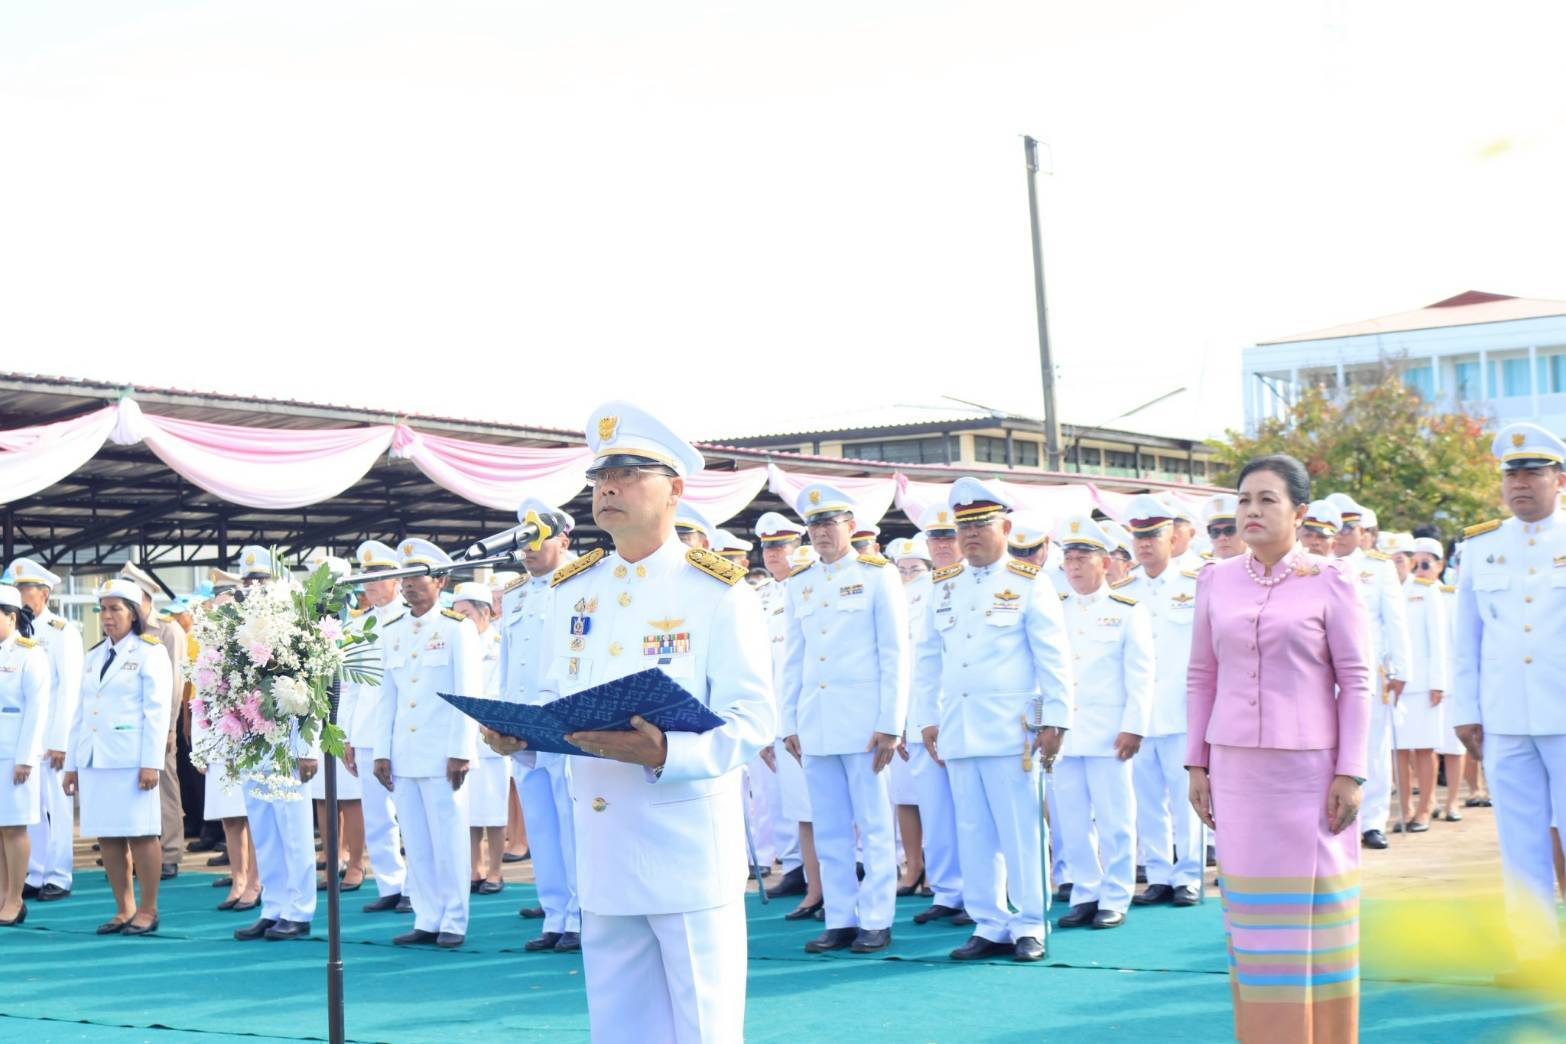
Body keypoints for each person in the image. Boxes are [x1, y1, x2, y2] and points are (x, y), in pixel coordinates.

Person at [484, 401, 773, 1043]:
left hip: (683, 843)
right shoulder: (572, 591)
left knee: (703, 1026)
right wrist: (522, 737)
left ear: (675, 489)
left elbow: (753, 718)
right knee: (619, 1026)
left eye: (628, 474)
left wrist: (667, 753)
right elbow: (558, 697)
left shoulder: (718, 591)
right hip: (602, 841)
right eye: (600, 477)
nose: (608, 488)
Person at [1186, 453, 1370, 1044]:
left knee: (1320, 917)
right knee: (1255, 926)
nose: (1252, 510)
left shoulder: (1332, 579)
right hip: (1236, 774)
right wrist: (1196, 763)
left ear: (1299, 512)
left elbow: (1356, 680)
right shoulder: (1215, 579)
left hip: (1311, 776)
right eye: (1244, 499)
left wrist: (1351, 771)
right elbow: (1201, 676)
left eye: (1267, 499)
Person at [913, 477, 1072, 962]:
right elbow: (927, 658)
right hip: (959, 727)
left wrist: (1056, 718)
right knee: (974, 831)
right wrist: (926, 717)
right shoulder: (943, 586)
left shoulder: (1028, 583)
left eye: (981, 525)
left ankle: (1030, 923)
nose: (971, 535)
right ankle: (989, 922)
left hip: (1012, 731)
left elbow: (1054, 657)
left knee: (1021, 831)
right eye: (963, 527)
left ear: (1005, 527)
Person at [1451, 422, 1566, 970]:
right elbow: (1466, 638)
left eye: (1533, 473)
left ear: (1559, 479)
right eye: (1511, 474)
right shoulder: (1481, 547)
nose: (1520, 483)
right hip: (1504, 717)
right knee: (1519, 843)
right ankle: (1535, 953)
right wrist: (1466, 711)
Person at [780, 480, 909, 955]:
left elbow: (895, 653)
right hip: (815, 722)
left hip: (863, 724)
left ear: (851, 526)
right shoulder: (800, 582)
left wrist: (891, 723)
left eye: (829, 523)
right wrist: (788, 722)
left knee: (873, 826)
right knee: (829, 828)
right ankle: (840, 917)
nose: (820, 532)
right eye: (813, 525)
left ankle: (876, 918)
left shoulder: (878, 575)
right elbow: (794, 658)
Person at [373, 537, 482, 948]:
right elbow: (388, 697)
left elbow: (467, 693)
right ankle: (426, 915)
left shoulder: (457, 628)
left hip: (443, 754)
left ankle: (453, 919)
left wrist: (461, 750)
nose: (409, 585)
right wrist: (382, 752)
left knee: (448, 840)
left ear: (441, 581)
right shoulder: (392, 631)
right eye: (405, 578)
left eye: (418, 577)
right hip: (404, 753)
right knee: (416, 841)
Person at [1051, 517, 1151, 931]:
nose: (1074, 567)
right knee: (1072, 821)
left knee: (1115, 819)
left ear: (1105, 563)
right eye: (1069, 559)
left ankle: (1115, 895)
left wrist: (1135, 726)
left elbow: (1140, 675)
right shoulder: (1056, 610)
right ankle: (1085, 892)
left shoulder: (1126, 610)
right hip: (1065, 733)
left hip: (1110, 732)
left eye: (1082, 558)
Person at [64, 579, 174, 936]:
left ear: (134, 614)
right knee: (108, 836)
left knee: (141, 834)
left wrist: (151, 762)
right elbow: (80, 713)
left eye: (115, 609)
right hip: (96, 759)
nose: (107, 616)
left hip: (131, 759)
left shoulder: (150, 652)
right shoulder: (94, 655)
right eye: (103, 609)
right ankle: (123, 908)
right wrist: (72, 764)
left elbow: (157, 711)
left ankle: (148, 908)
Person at [499, 497, 582, 952]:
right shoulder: (515, 593)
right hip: (523, 725)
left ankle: (581, 916)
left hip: (564, 723)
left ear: (563, 540)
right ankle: (555, 915)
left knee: (572, 823)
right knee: (541, 824)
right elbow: (509, 662)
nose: (527, 550)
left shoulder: (582, 583)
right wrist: (502, 716)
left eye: (536, 540)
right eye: (522, 543)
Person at [1119, 493, 1205, 909]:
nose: (1145, 545)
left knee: (1188, 798)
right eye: (1139, 538)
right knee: (1147, 800)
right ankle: (1158, 875)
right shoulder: (1123, 591)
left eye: (1153, 536)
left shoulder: (1196, 584)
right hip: (1139, 715)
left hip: (1183, 711)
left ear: (1172, 538)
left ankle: (1188, 875)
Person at [230, 546, 320, 943]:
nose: (254, 587)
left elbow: (315, 688)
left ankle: (299, 910)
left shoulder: (297, 624)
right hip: (254, 741)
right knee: (264, 829)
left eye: (261, 580)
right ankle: (274, 906)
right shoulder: (234, 628)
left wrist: (307, 749)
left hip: (288, 742)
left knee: (294, 831)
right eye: (248, 580)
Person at [1325, 493, 1410, 851]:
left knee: (1372, 747)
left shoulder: (1378, 567)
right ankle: (1333, 816)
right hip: (1323, 673)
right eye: (1336, 527)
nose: (1341, 535)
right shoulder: (1313, 565)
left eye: (1349, 528)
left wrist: (1401, 670)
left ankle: (1373, 821)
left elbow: (1395, 620)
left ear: (1362, 531)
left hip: (1368, 672)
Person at [752, 511, 822, 920]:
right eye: (768, 547)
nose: (774, 553)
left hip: (808, 712)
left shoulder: (809, 587)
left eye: (781, 545)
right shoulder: (760, 597)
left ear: (798, 546)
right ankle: (796, 868)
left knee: (816, 805)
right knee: (781, 800)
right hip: (775, 713)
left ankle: (828, 880)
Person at [4, 559, 83, 904]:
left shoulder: (61, 631)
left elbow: (69, 689)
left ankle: (58, 875)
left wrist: (60, 739)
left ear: (44, 593)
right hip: (23, 739)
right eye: (18, 589)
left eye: (26, 589)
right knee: (29, 811)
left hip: (52, 736)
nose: (21, 595)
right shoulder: (16, 635)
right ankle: (34, 873)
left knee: (57, 808)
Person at [342, 540, 411, 914]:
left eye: (378, 576)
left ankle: (415, 886)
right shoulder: (359, 625)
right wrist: (347, 736)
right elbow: (351, 686)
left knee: (409, 813)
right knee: (377, 816)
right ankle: (390, 884)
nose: (370, 583)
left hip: (402, 731)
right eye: (366, 576)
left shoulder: (412, 618)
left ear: (397, 580)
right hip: (367, 731)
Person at [116, 562, 187, 880]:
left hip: (158, 723)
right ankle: (130, 853)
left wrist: (169, 727)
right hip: (127, 727)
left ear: (143, 599)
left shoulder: (168, 630)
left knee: (165, 787)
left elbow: (175, 684)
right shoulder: (125, 632)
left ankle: (169, 852)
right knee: (129, 788)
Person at [1384, 534, 1448, 833]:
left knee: (1423, 748)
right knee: (1397, 750)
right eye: (1390, 560)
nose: (1395, 566)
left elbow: (1437, 640)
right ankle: (1406, 807)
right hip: (1391, 683)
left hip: (1423, 683)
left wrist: (1438, 682)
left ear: (1410, 562)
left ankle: (1425, 807)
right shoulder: (1381, 589)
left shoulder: (1425, 590)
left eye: (1400, 560)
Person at [453, 581, 508, 894]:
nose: (461, 620)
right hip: (463, 740)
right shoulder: (458, 644)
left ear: (485, 613)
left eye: (467, 614)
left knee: (494, 811)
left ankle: (496, 870)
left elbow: (500, 690)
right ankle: (474, 868)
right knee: (470, 810)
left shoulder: (499, 645)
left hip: (491, 738)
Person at [0, 584, 49, 926]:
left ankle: (15, 898)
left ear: (11, 617)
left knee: (14, 829)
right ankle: (2, 894)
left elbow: (36, 710)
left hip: (13, 755)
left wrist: (26, 758)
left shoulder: (29, 654)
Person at [1202, 494, 1244, 560]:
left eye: (1229, 530)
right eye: (1215, 532)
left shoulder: (1261, 563)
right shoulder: (1199, 565)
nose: (1222, 538)